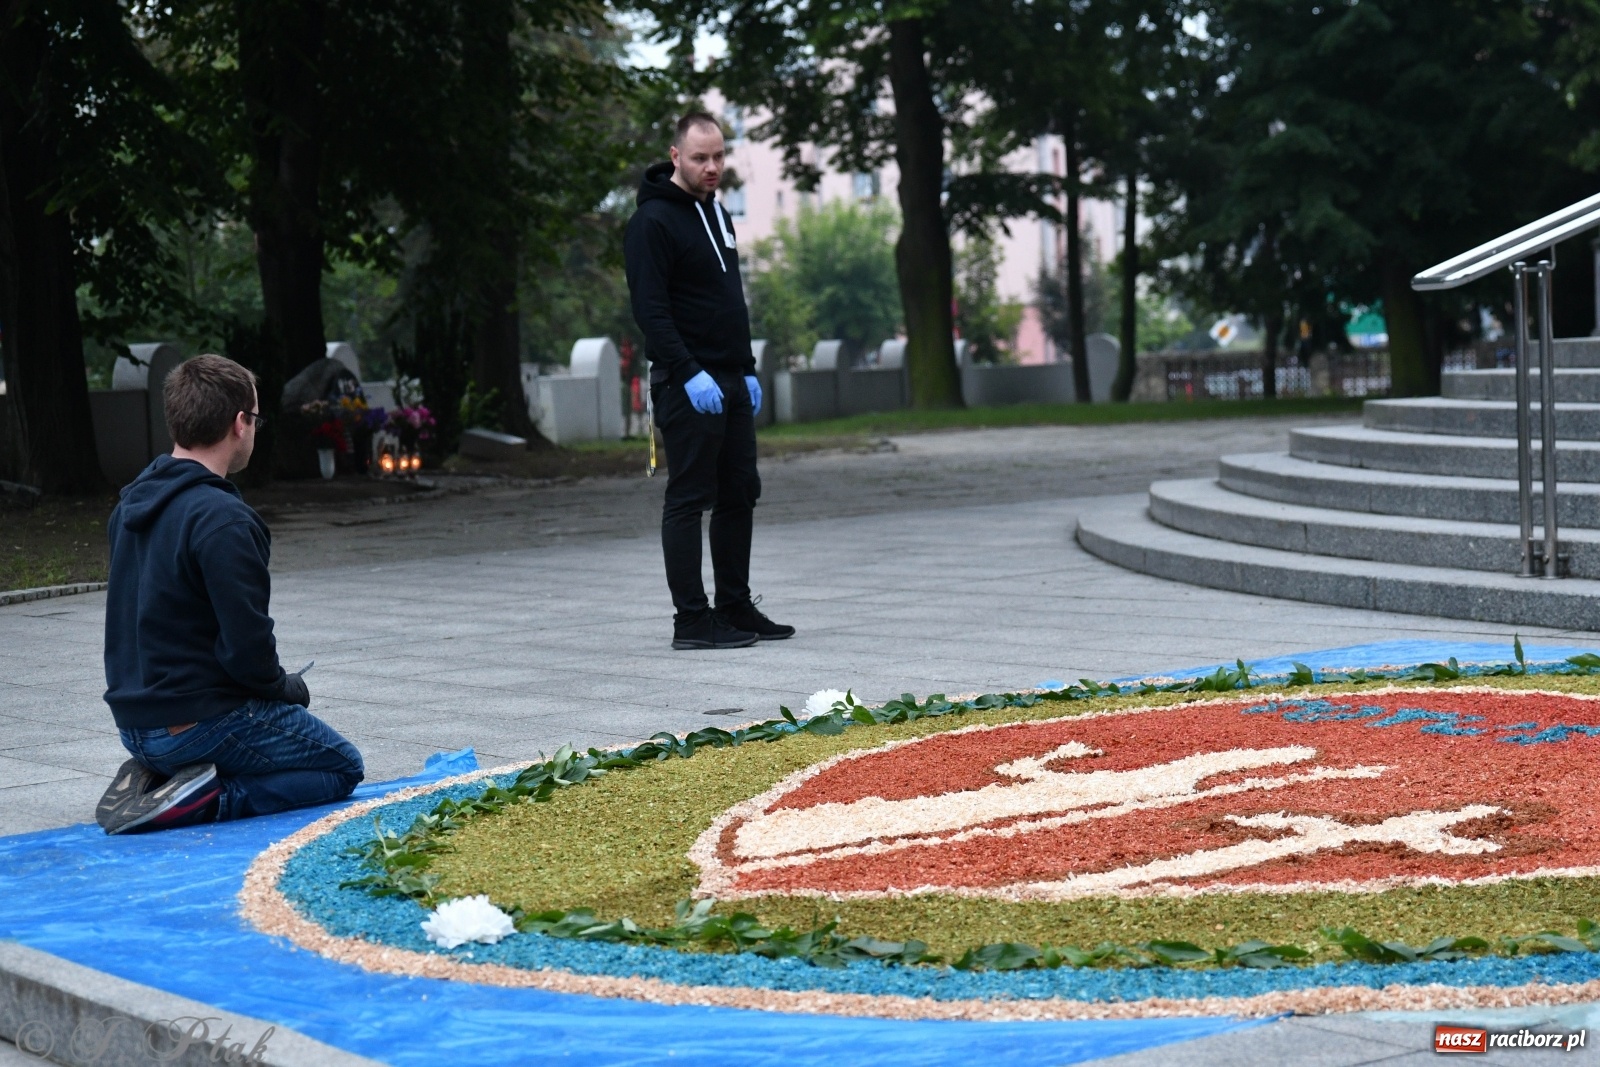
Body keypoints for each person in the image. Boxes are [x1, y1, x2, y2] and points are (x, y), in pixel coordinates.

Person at [97, 354, 364, 834]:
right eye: (256, 418)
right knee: (341, 766)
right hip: (196, 724)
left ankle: (161, 777)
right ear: (240, 423)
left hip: (134, 727)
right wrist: (288, 689)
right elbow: (248, 655)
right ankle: (204, 799)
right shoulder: (222, 519)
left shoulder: (130, 505)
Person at [624, 112, 796, 650]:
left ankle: (735, 607)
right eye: (700, 157)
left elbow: (729, 302)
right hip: (687, 381)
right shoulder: (651, 223)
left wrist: (743, 367)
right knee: (689, 496)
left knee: (740, 490)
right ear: (676, 157)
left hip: (729, 377)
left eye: (719, 156)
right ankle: (692, 622)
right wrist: (690, 371)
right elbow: (651, 312)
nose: (712, 166)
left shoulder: (718, 213)